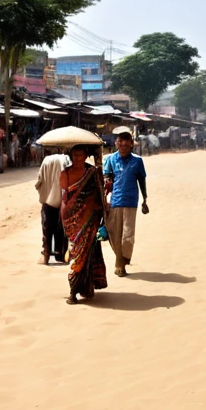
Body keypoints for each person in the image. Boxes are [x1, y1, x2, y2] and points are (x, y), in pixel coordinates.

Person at [60, 145, 107, 304]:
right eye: (74, 155)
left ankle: (77, 291)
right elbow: (65, 194)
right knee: (76, 252)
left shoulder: (93, 172)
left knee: (85, 254)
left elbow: (101, 195)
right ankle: (76, 288)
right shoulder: (65, 173)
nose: (77, 158)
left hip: (90, 219)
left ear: (86, 155)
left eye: (80, 155)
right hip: (72, 220)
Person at [102, 126, 149, 277]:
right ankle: (119, 263)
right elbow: (107, 181)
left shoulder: (137, 161)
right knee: (115, 234)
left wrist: (145, 199)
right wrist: (104, 198)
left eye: (126, 141)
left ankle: (123, 259)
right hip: (115, 201)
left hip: (130, 201)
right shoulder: (110, 159)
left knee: (127, 236)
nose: (123, 144)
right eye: (120, 141)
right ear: (116, 142)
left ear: (131, 144)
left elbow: (142, 180)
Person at [35, 152, 69, 265]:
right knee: (61, 228)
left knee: (47, 229)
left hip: (47, 201)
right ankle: (60, 254)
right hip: (62, 200)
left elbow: (38, 182)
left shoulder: (46, 160)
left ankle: (46, 255)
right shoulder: (67, 160)